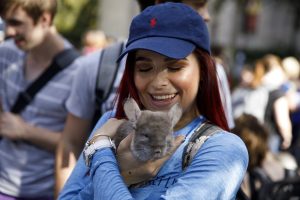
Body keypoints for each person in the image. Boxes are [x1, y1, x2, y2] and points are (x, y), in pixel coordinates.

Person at [58, 3, 248, 199]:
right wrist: (123, 176)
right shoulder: (112, 122)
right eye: (145, 68)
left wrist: (100, 151)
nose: (158, 82)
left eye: (175, 67)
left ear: (203, 70)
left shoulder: (223, 149)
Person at [0, 0, 81, 199]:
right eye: (5, 22)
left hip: (43, 192)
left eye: (16, 22)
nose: (9, 31)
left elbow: (78, 144)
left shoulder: (79, 72)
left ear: (44, 19)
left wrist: (26, 131)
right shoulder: (7, 53)